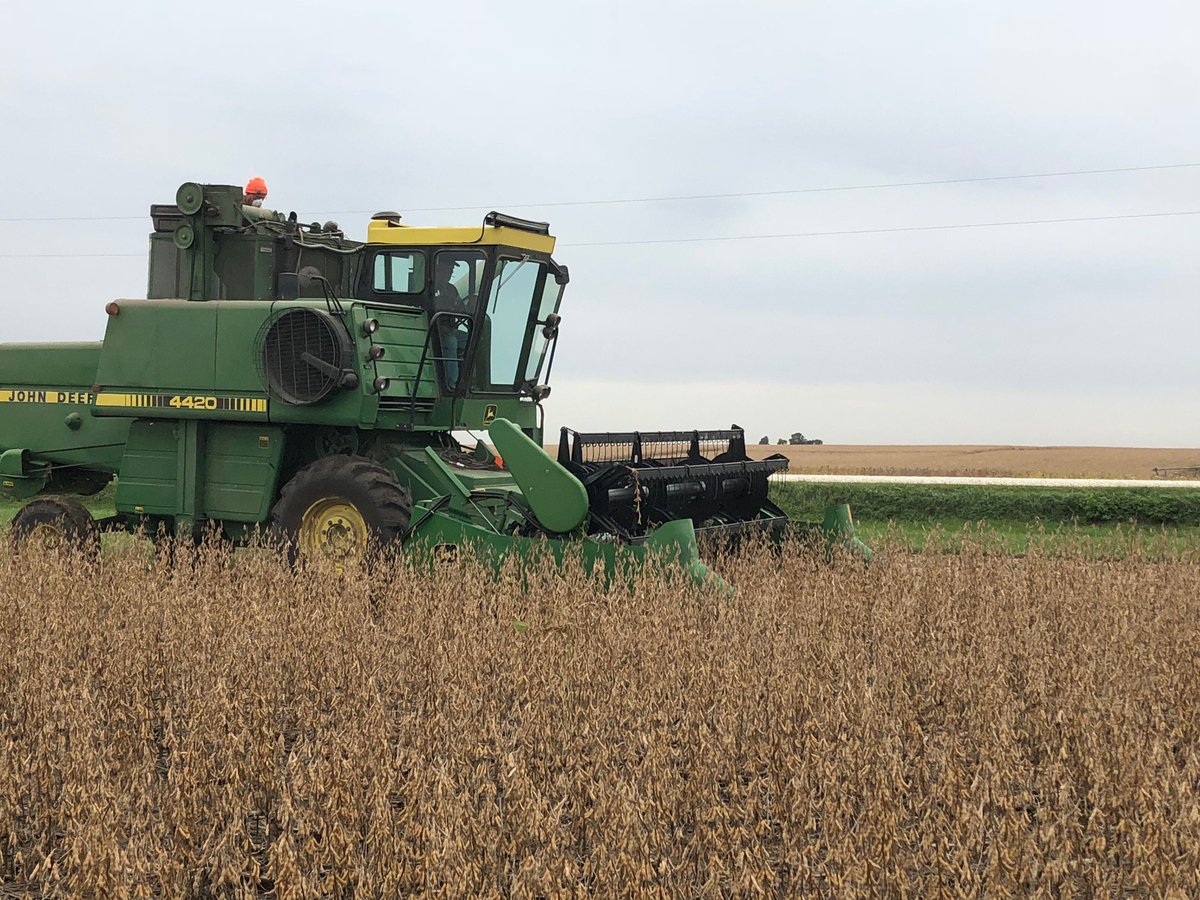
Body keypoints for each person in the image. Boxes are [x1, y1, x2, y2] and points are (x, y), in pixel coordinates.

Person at [433, 255, 468, 388]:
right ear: (439, 269)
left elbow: (461, 309)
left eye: (451, 270)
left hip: (449, 329)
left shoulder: (451, 290)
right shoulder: (430, 288)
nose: (451, 272)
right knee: (451, 341)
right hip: (433, 331)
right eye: (448, 269)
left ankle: (468, 380)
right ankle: (451, 383)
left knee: (469, 339)